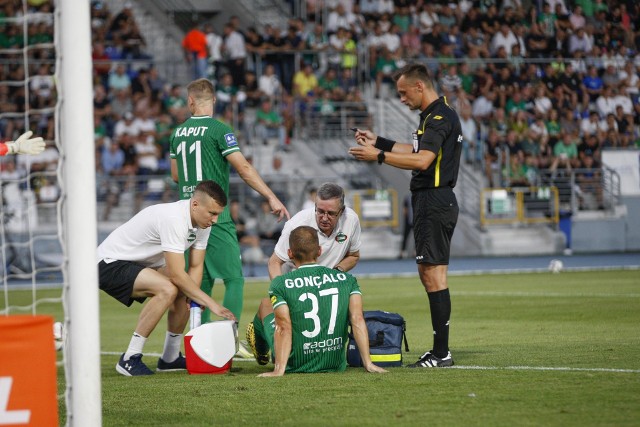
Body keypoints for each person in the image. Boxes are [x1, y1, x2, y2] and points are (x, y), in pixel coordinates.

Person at [349, 63, 462, 368]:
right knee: (430, 275)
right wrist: (379, 142)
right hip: (433, 201)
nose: (401, 99)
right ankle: (441, 351)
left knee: (434, 276)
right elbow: (414, 150)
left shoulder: (438, 118)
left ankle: (442, 353)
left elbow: (423, 161)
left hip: (434, 200)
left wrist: (380, 157)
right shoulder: (435, 116)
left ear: (419, 87)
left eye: (402, 93)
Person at [169, 78, 289, 333]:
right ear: (213, 100)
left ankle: (199, 341)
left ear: (190, 101)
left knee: (201, 281)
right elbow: (243, 167)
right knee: (234, 279)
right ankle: (229, 338)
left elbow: (176, 176)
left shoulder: (177, 134)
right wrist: (271, 196)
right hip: (215, 216)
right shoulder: (219, 130)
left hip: (186, 217)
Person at [96, 180, 236, 376]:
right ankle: (129, 358)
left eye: (217, 214)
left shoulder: (204, 224)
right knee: (168, 288)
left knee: (184, 290)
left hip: (138, 264)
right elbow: (177, 275)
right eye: (212, 213)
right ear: (195, 204)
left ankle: (169, 358)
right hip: (109, 263)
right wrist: (212, 304)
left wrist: (193, 296)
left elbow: (195, 266)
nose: (214, 220)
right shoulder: (174, 219)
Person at [246, 225, 387, 376]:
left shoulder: (280, 283)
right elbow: (357, 319)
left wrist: (279, 370)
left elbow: (283, 327)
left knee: (266, 304)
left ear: (290, 253)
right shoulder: (347, 279)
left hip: (294, 363)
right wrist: (368, 363)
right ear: (319, 251)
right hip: (334, 363)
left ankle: (261, 351)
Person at [267, 182, 361, 279]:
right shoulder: (296, 224)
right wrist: (279, 291)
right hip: (294, 285)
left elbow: (354, 256)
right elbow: (274, 262)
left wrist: (335, 273)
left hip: (328, 285)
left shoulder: (351, 220)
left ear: (341, 211)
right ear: (315, 205)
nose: (324, 218)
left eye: (331, 213)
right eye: (320, 211)